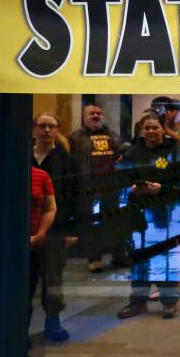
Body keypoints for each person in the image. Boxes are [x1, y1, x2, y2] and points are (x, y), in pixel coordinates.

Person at [116, 112, 180, 320]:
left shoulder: (174, 150)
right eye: (147, 128)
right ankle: (138, 302)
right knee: (139, 259)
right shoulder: (133, 152)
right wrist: (132, 188)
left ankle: (169, 303)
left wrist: (162, 188)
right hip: (138, 212)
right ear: (142, 131)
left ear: (162, 129)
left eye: (155, 128)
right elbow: (120, 180)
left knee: (163, 258)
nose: (151, 132)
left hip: (165, 211)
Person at [31, 112, 83, 342]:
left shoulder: (68, 161)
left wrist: (74, 229)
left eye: (51, 126)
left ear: (57, 130)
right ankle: (20, 327)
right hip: (24, 229)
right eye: (42, 126)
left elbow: (78, 196)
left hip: (57, 228)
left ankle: (53, 323)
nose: (46, 130)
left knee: (52, 279)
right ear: (34, 130)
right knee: (24, 280)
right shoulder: (20, 157)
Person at [68, 104, 129, 272]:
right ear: (84, 117)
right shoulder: (74, 137)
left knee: (114, 221)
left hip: (111, 186)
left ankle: (118, 255)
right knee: (90, 224)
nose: (95, 116)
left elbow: (122, 157)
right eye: (91, 113)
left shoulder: (113, 136)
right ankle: (94, 259)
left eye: (98, 113)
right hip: (86, 187)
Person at [28, 165, 56, 357]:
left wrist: (39, 234)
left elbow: (49, 208)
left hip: (32, 245)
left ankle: (19, 347)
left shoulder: (40, 175)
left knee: (25, 299)